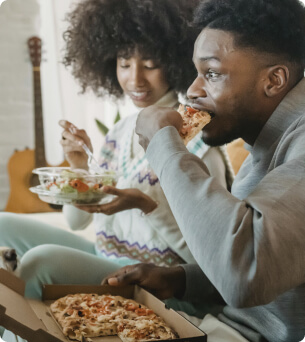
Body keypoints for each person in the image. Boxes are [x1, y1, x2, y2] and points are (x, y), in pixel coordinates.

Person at [0, 0, 232, 304]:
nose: (134, 79)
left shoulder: (199, 146)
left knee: (40, 261)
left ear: (178, 62)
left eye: (150, 65)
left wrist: (148, 207)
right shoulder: (118, 134)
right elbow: (76, 223)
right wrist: (80, 165)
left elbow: (217, 263)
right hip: (107, 257)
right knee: (3, 222)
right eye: (124, 63)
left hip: (160, 281)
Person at [102, 0, 305, 341]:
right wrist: (181, 279)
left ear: (274, 80)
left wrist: (163, 146)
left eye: (211, 73)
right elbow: (276, 272)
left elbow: (247, 274)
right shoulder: (266, 143)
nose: (193, 91)